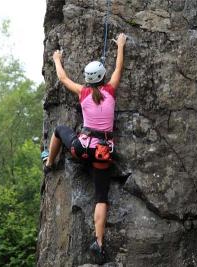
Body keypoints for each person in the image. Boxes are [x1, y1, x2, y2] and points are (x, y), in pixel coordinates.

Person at [42, 33, 126, 264]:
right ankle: (98, 242)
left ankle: (49, 163)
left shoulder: (83, 92)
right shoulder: (110, 90)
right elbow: (119, 67)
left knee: (59, 129)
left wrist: (57, 58)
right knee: (101, 197)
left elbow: (62, 78)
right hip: (102, 152)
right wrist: (120, 45)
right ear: (102, 77)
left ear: (88, 79)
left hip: (81, 148)